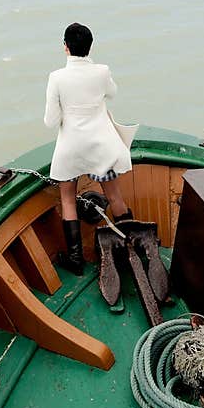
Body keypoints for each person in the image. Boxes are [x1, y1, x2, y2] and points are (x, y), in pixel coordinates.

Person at [43, 22, 134, 275]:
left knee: (68, 199)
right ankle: (130, 250)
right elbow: (112, 93)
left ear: (65, 47)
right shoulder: (102, 71)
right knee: (115, 197)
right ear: (90, 46)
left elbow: (50, 121)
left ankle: (76, 261)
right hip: (101, 148)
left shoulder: (56, 78)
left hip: (71, 150)